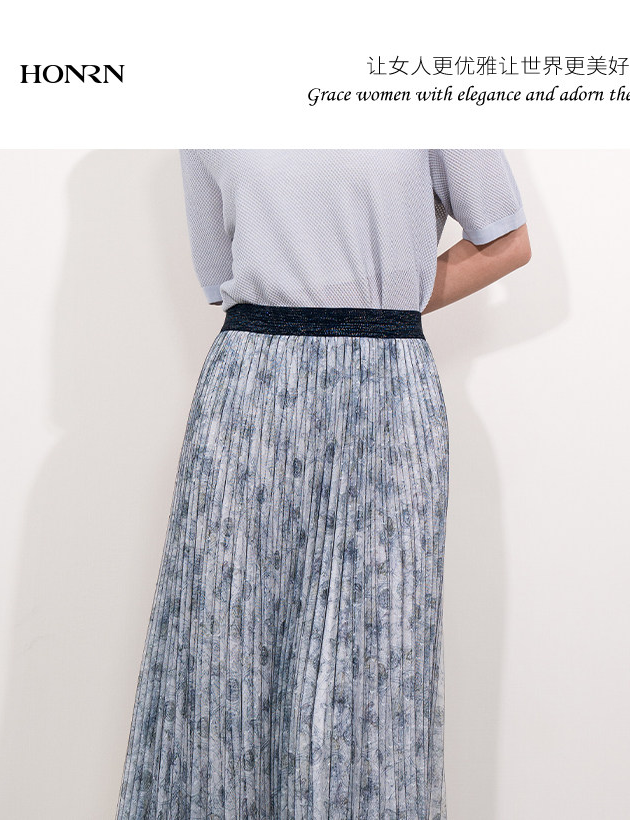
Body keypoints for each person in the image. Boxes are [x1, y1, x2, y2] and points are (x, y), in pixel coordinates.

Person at [114, 149, 531, 819]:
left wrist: (383, 305)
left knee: (373, 661)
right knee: (223, 655)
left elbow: (507, 241)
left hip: (387, 390)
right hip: (248, 394)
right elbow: (220, 278)